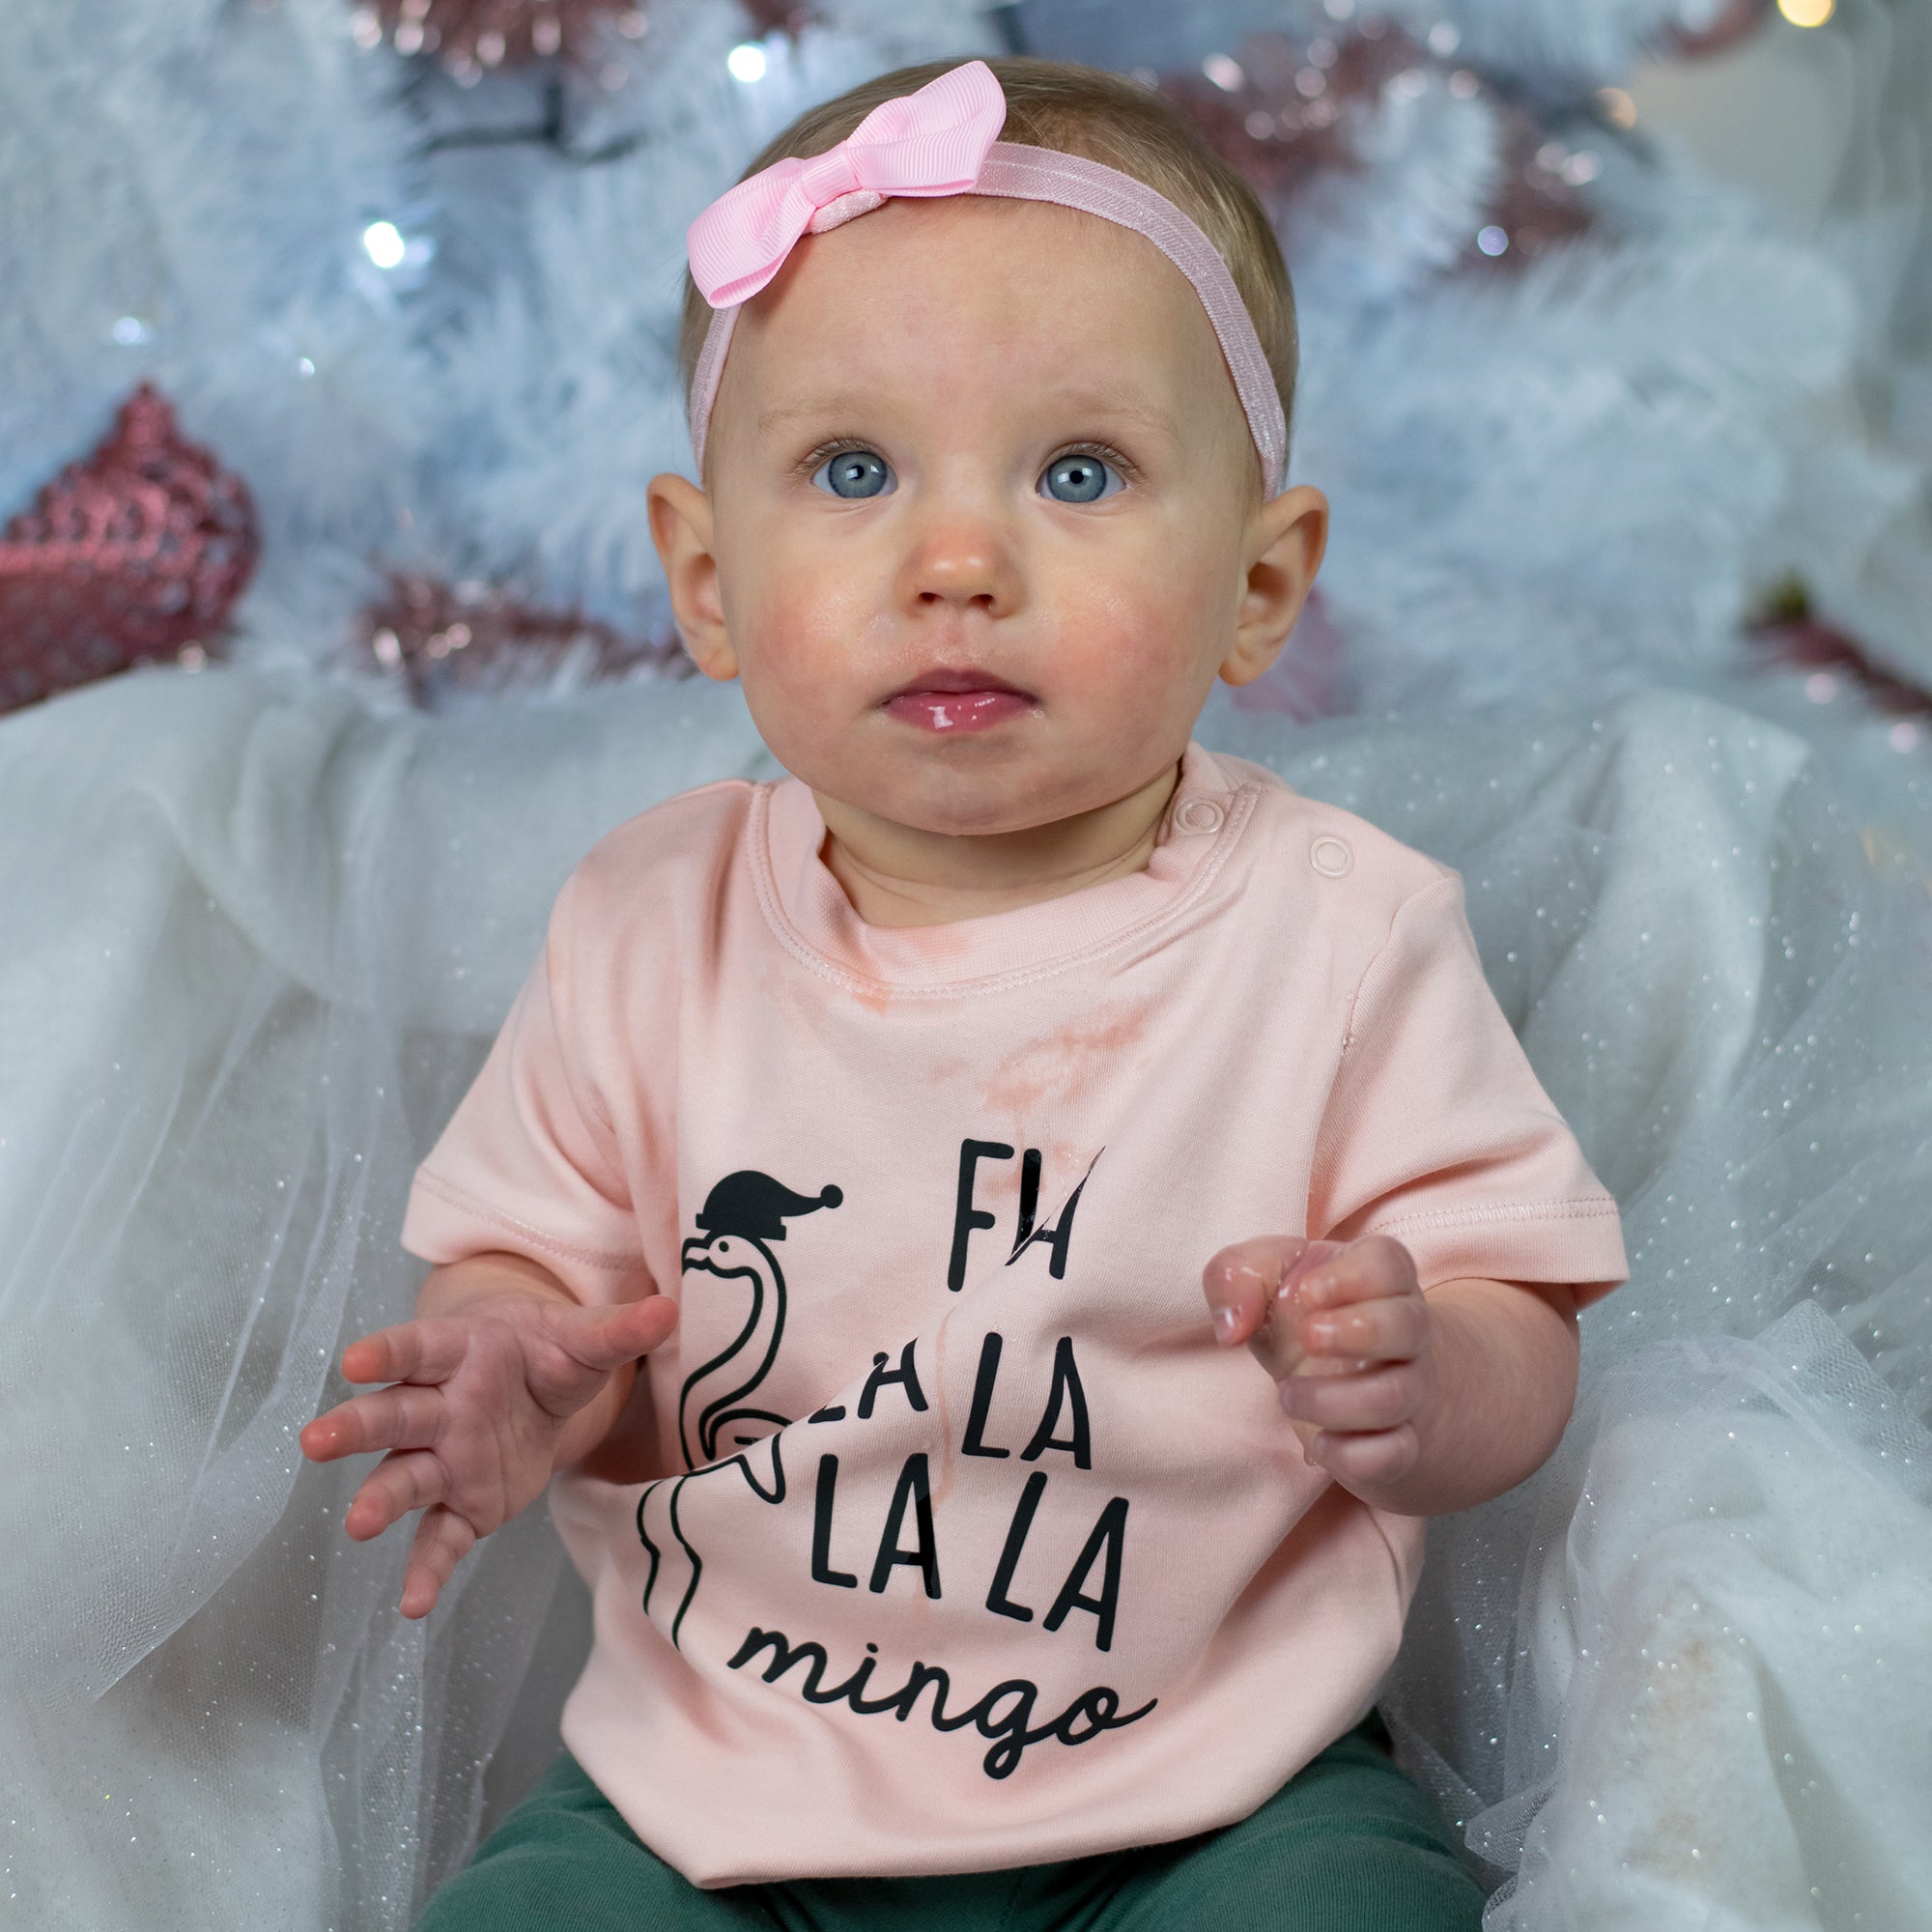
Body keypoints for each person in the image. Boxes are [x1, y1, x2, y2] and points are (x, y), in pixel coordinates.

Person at [300, 56, 1628, 1929]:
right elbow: (545, 1288)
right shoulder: (648, 922)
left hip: (1213, 1783)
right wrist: (514, 1364)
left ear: (1259, 582)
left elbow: (1517, 1311)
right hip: (715, 1784)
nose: (954, 564)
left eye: (1076, 472)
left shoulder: (1339, 931)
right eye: (852, 471)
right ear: (703, 575)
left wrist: (1429, 1371)